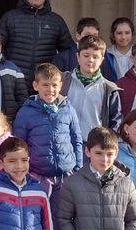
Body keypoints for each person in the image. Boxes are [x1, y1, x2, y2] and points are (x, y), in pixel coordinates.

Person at [0, 0, 75, 91]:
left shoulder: (56, 21)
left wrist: (57, 74)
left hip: (45, 87)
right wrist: (8, 73)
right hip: (14, 86)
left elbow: (69, 53)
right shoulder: (10, 18)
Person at [12, 63, 83, 194]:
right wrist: (25, 170)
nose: (50, 89)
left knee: (63, 213)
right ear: (35, 86)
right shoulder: (26, 112)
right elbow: (19, 144)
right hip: (38, 175)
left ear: (61, 86)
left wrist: (78, 167)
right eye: (45, 85)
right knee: (40, 212)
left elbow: (76, 139)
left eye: (54, 85)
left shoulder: (68, 109)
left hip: (66, 175)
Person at [60, 34, 123, 144]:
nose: (90, 60)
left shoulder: (109, 89)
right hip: (65, 144)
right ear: (78, 57)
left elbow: (116, 122)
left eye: (95, 57)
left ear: (102, 60)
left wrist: (106, 144)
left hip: (94, 147)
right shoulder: (63, 81)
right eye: (86, 55)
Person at [53, 17, 118, 81]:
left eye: (95, 35)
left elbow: (109, 78)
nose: (91, 38)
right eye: (87, 35)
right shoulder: (62, 57)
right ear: (78, 36)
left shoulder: (104, 54)